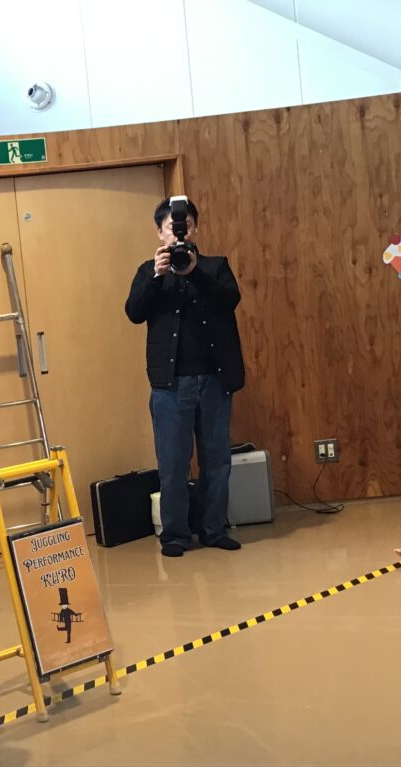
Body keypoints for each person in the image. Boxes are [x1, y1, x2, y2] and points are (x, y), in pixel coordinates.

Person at [125, 198, 244, 558]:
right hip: (170, 385)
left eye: (186, 225)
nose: (179, 232)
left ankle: (213, 529)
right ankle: (175, 535)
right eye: (172, 227)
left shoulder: (215, 266)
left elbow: (229, 300)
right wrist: (157, 276)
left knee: (216, 459)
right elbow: (134, 312)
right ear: (159, 232)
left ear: (195, 228)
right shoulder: (149, 271)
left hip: (214, 380)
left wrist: (193, 272)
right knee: (173, 463)